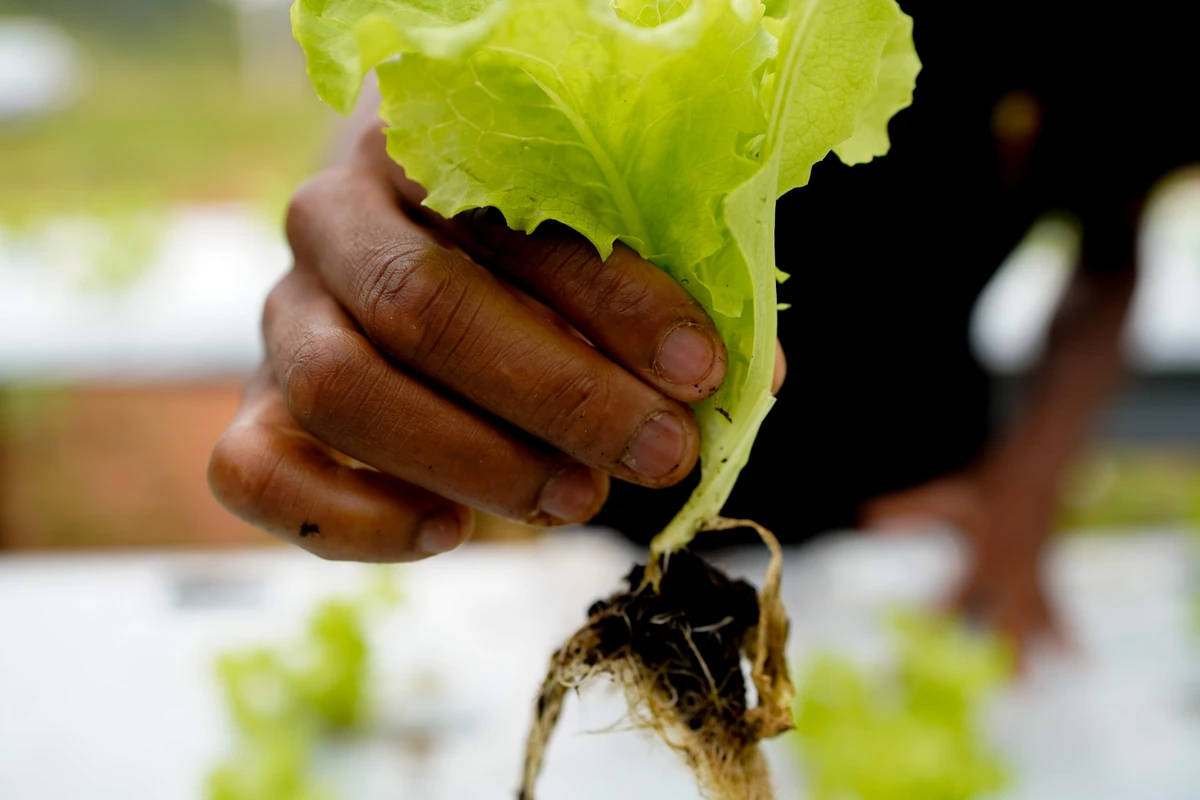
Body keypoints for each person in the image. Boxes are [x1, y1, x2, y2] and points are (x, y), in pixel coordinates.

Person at [208, 3, 1198, 650]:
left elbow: (1107, 252)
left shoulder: (1104, 45)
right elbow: (461, 47)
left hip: (918, 510)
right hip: (609, 508)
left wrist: (1026, 495)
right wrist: (388, 224)